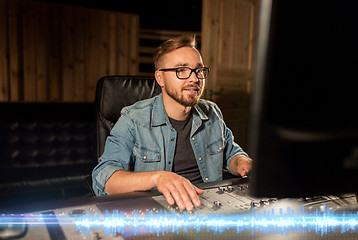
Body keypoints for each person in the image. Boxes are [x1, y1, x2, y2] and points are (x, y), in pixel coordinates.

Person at [92, 35, 252, 211]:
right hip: (159, 214)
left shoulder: (212, 112)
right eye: (181, 70)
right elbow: (104, 178)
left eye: (198, 70)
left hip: (211, 208)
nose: (194, 79)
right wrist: (157, 178)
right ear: (160, 78)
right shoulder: (133, 118)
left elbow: (231, 154)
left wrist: (241, 163)